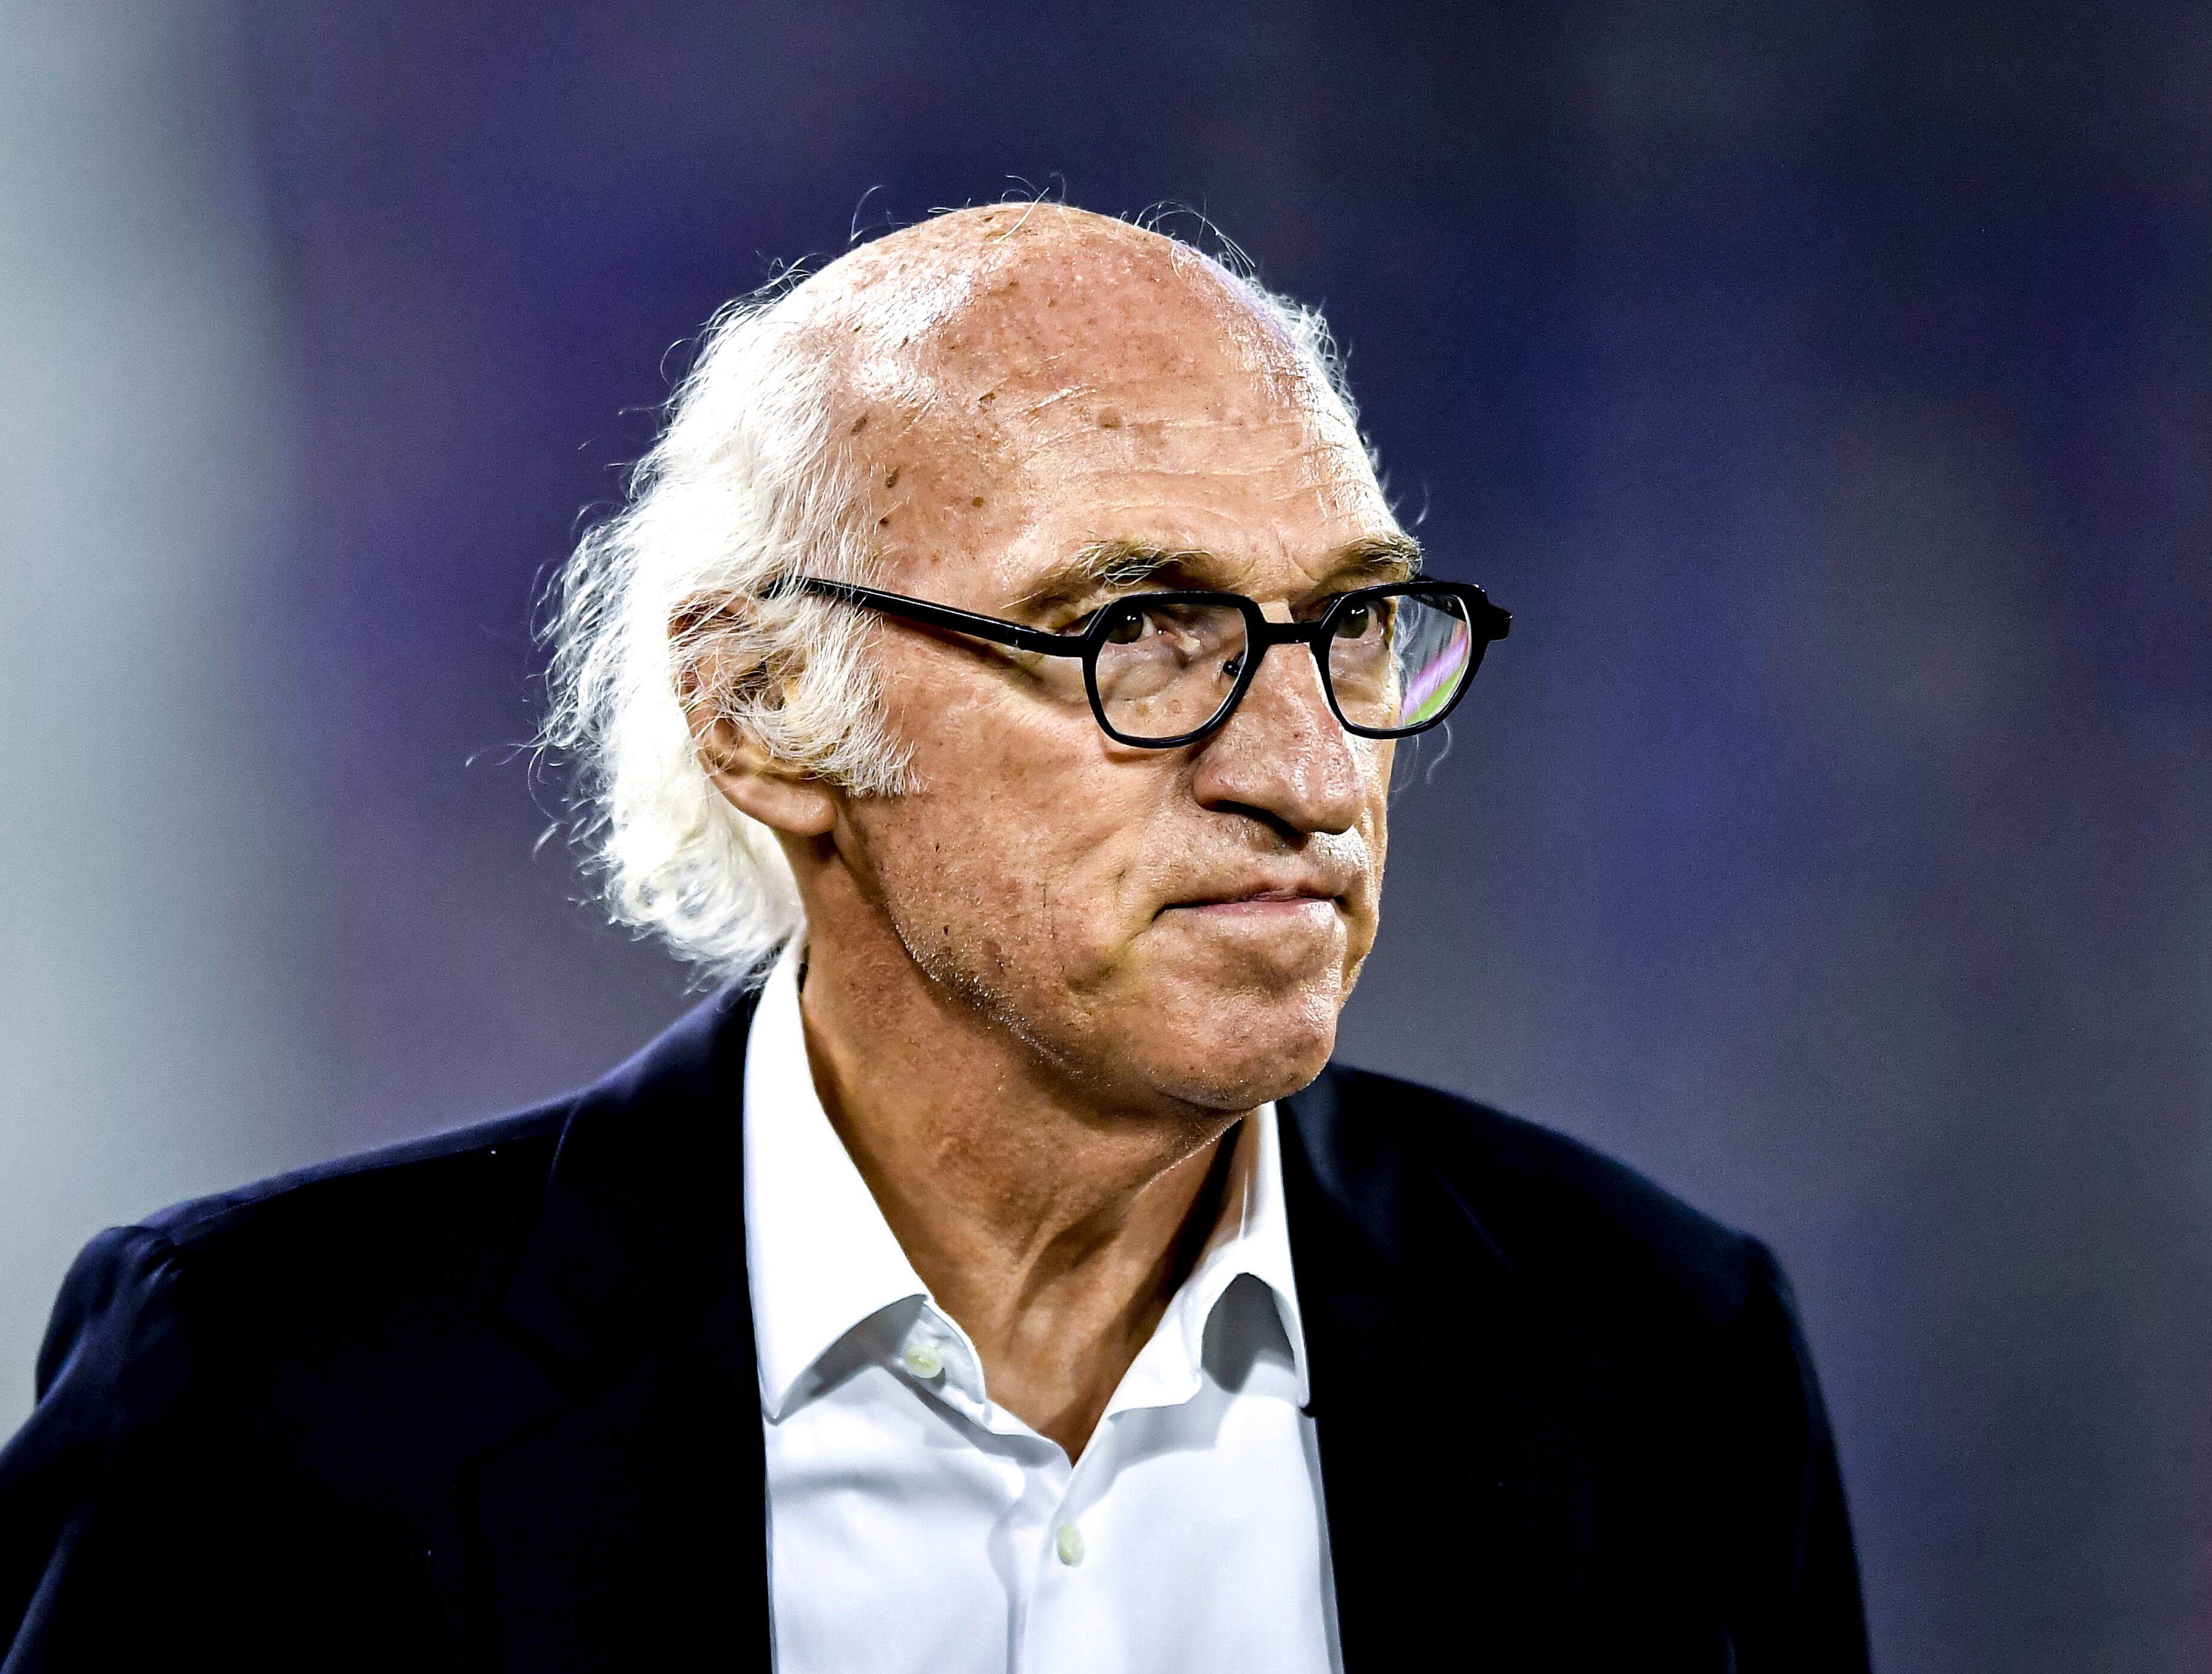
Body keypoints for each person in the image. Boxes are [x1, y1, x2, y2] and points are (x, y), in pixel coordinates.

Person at [0, 203, 1867, 1672]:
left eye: (1356, 625)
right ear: (762, 711)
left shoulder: (1657, 1348)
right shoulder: (270, 1390)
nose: (1309, 769)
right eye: (1136, 629)